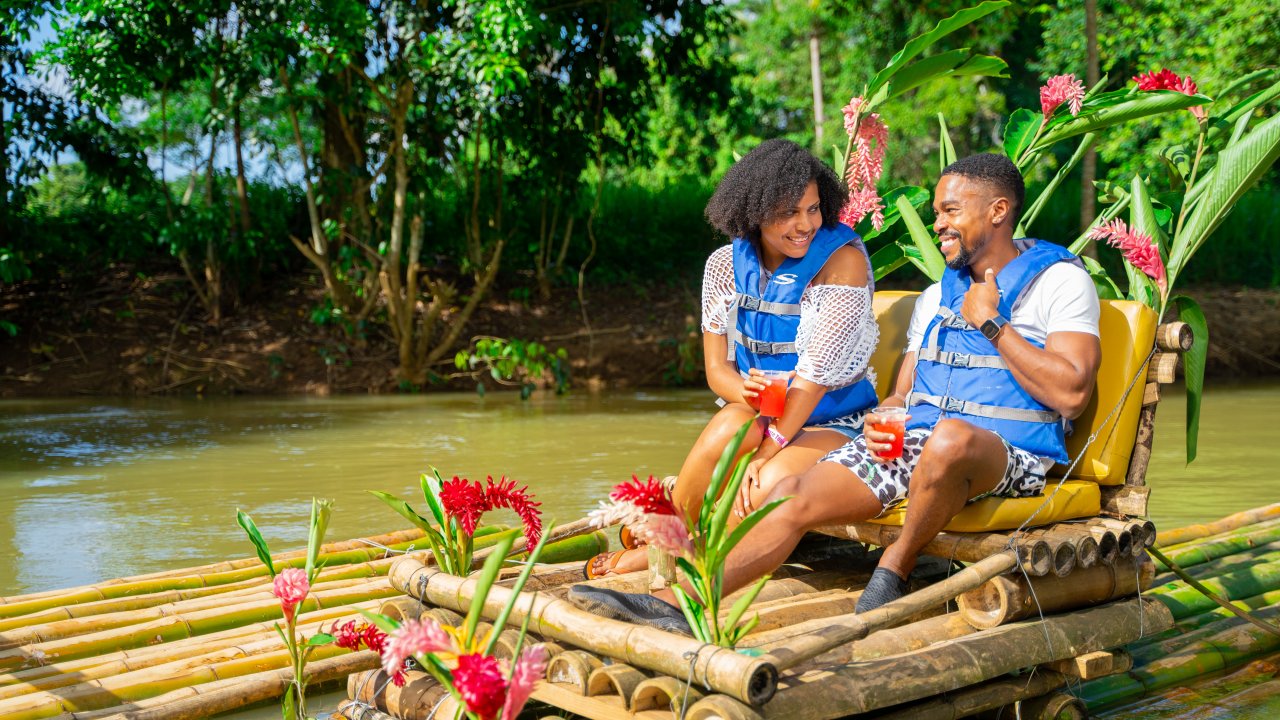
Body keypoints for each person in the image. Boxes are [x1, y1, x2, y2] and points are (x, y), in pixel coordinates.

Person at [569, 153, 1101, 631]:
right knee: (786, 493)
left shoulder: (1060, 283)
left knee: (952, 439)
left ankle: (894, 568)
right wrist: (888, 412)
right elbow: (904, 393)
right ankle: (677, 603)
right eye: (937, 212)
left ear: (998, 211)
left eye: (949, 211)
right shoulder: (938, 294)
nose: (937, 223)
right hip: (919, 443)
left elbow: (1073, 394)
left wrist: (991, 323)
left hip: (1010, 455)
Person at [585, 138, 881, 578]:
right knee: (727, 425)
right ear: (755, 211)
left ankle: (664, 554)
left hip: (835, 422)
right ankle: (670, 534)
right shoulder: (725, 265)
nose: (806, 225)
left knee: (760, 486)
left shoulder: (843, 264)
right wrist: (745, 390)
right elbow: (716, 370)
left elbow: (814, 378)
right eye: (789, 213)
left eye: (814, 209)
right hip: (766, 413)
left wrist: (768, 450)